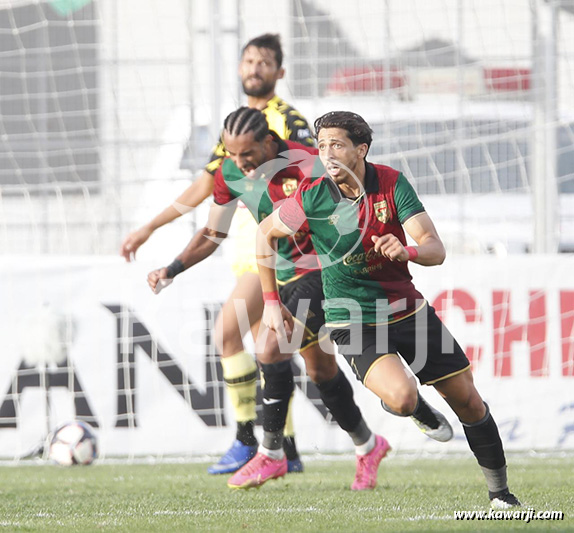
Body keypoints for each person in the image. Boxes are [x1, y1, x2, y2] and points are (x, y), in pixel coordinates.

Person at [148, 107, 452, 491]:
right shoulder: (228, 172)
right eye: (232, 155)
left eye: (248, 155)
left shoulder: (309, 166)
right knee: (320, 370)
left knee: (270, 346)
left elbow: (355, 215)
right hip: (282, 274)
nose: (240, 164)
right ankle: (369, 444)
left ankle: (272, 454)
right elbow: (213, 233)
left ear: (270, 143)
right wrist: (172, 269)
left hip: (324, 273)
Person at [257, 111, 521, 509]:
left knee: (469, 402)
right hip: (351, 318)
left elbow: (436, 248)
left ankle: (501, 494)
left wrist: (408, 250)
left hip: (407, 313)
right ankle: (418, 410)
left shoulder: (392, 184)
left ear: (361, 149)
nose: (327, 153)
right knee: (400, 398)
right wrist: (272, 303)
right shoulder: (311, 194)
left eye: (337, 144)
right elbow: (265, 236)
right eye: (322, 144)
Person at [121, 34, 314, 474]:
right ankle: (283, 444)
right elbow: (209, 186)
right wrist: (151, 227)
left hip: (282, 251)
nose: (255, 68)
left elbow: (313, 179)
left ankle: (251, 442)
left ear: (279, 72)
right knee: (282, 352)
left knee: (231, 335)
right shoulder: (236, 128)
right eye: (249, 60)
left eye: (264, 62)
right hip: (246, 246)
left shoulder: (287, 123)